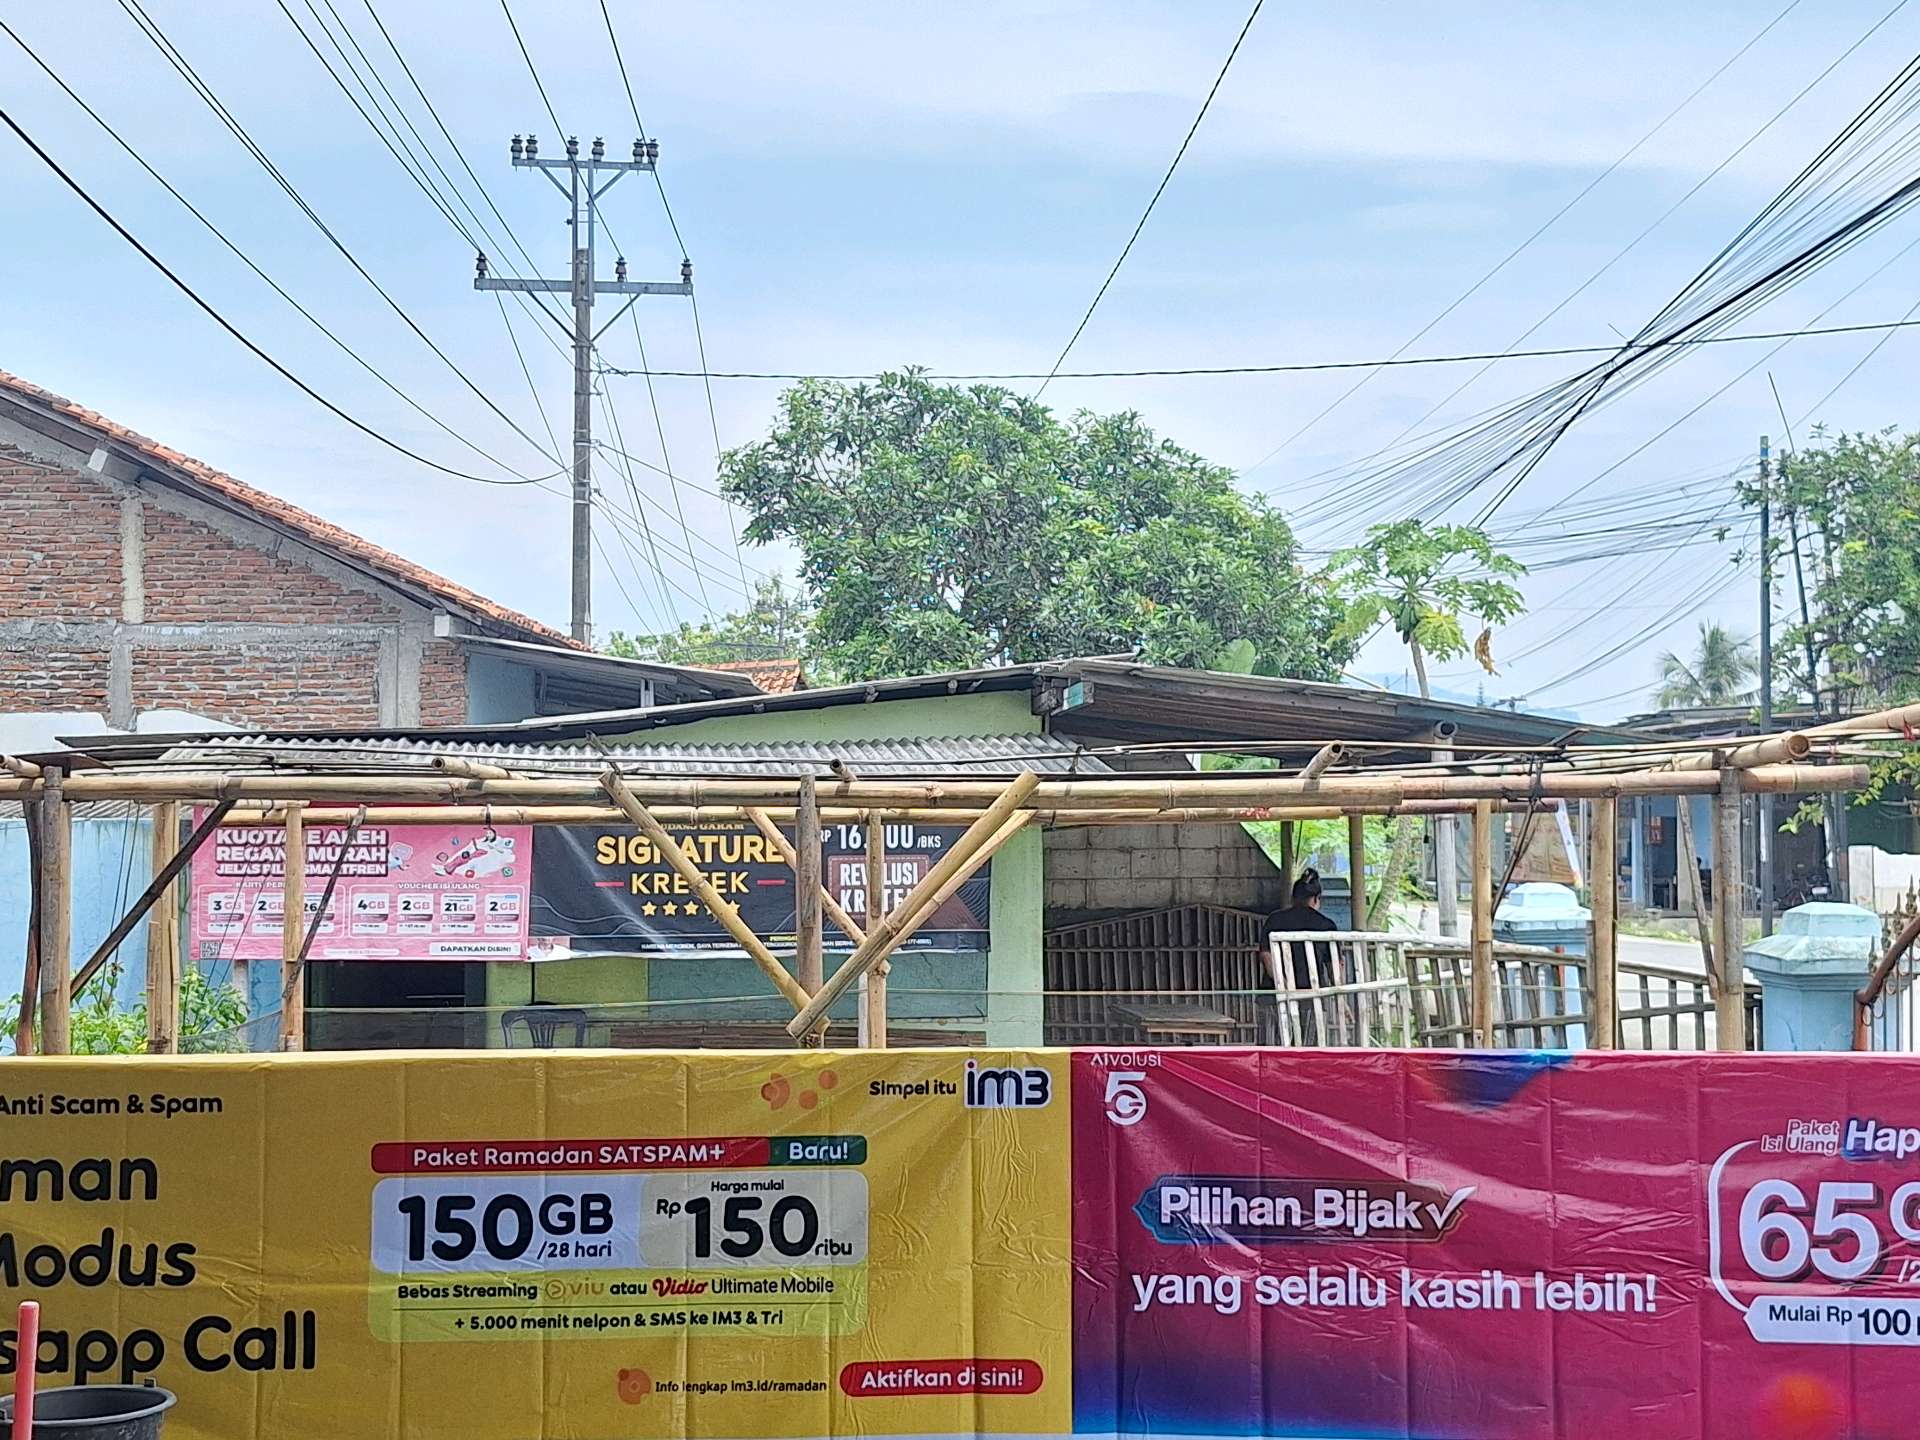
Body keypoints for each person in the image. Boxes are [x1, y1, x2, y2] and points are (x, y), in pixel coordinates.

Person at [1261, 868, 1339, 1043]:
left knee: (1273, 1046)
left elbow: (1266, 957)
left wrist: (1283, 984)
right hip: (1312, 997)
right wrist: (1341, 996)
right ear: (1316, 899)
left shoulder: (1274, 920)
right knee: (1309, 1048)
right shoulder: (1326, 925)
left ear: (1293, 898)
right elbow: (1335, 967)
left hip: (1274, 996)